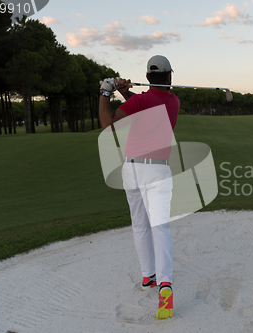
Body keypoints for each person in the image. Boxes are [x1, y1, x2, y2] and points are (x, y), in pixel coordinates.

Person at [98, 55, 179, 320]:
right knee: (160, 227)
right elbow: (147, 102)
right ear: (169, 77)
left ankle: (148, 277)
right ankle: (164, 285)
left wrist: (105, 92)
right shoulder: (173, 101)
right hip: (158, 170)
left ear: (147, 77)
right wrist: (124, 92)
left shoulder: (139, 101)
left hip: (132, 170)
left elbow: (108, 126)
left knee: (140, 225)